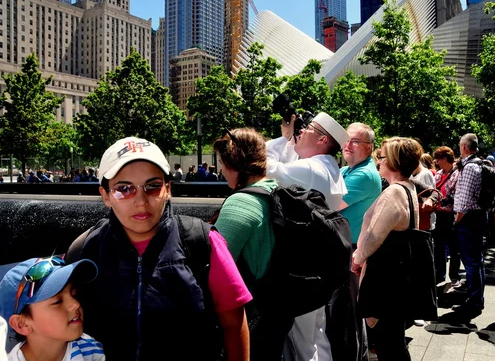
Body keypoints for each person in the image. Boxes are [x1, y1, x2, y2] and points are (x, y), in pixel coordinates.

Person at [65, 136, 252, 360]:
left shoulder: (202, 242)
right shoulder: (84, 250)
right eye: (124, 189)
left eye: (152, 186)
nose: (141, 201)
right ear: (105, 195)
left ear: (168, 189)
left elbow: (233, 325)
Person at [266, 112, 349, 361]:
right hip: (319, 266)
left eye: (308, 128)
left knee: (301, 346)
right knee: (316, 336)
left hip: (299, 268)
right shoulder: (328, 167)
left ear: (323, 140)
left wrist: (283, 139)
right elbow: (294, 165)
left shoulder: (312, 169)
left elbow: (266, 167)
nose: (301, 130)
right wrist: (290, 140)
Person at [212, 128, 293, 361]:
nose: (220, 170)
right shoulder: (277, 190)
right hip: (279, 310)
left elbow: (216, 265)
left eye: (221, 162)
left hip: (253, 316)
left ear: (233, 162)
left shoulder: (241, 203)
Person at [352, 137, 423, 361]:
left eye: (381, 157)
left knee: (388, 343)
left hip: (385, 278)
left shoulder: (393, 193)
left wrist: (357, 259)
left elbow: (373, 236)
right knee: (393, 340)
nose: (378, 161)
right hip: (399, 277)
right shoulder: (408, 188)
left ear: (393, 161)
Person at [334, 122, 381, 361]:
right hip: (346, 249)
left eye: (355, 141)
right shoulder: (348, 171)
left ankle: (358, 356)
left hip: (352, 252)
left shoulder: (364, 175)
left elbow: (329, 204)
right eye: (346, 140)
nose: (348, 145)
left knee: (351, 312)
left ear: (370, 148)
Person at [0, 256, 105, 361]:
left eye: (74, 294)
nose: (76, 304)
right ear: (22, 324)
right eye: (57, 301)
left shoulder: (90, 349)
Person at [452, 133, 486, 319]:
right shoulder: (480, 165)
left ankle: (474, 301)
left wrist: (457, 221)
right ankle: (477, 298)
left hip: (468, 220)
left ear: (465, 147)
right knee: (477, 260)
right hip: (478, 217)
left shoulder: (470, 168)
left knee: (471, 262)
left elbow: (463, 203)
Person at [433, 146, 461, 288]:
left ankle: (454, 276)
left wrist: (444, 200)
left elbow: (457, 194)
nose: (436, 162)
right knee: (438, 246)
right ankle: (439, 273)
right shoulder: (438, 174)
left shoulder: (458, 174)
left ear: (444, 159)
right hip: (438, 214)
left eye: (438, 159)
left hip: (452, 215)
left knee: (454, 247)